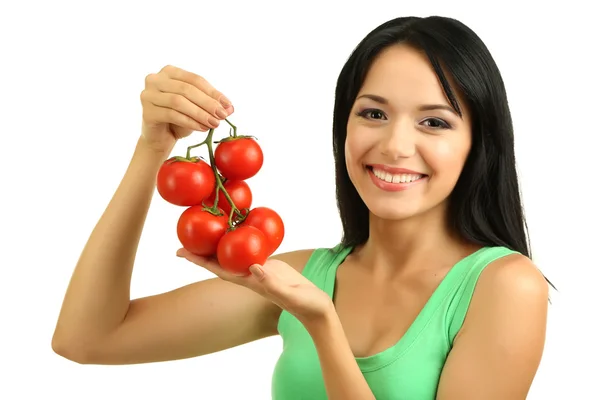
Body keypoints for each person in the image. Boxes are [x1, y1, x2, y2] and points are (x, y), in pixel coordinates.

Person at [52, 15, 551, 399]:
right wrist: (151, 147)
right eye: (373, 113)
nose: (396, 146)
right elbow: (87, 338)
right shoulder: (301, 276)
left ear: (478, 144)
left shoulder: (504, 286)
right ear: (344, 129)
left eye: (434, 122)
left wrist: (322, 324)